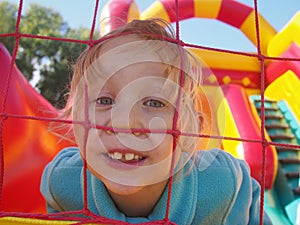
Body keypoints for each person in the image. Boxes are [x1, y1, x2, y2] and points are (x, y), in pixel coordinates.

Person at [40, 18, 272, 225]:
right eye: (104, 100)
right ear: (77, 121)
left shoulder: (222, 187)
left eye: (154, 103)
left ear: (193, 133)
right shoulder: (62, 182)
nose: (125, 123)